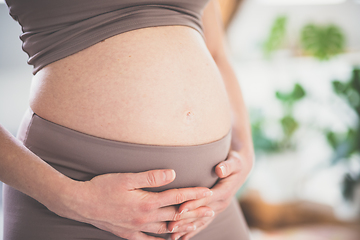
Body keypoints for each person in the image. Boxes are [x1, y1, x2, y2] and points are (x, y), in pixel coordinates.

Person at [0, 0, 254, 239]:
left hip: (205, 207)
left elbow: (217, 51)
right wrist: (73, 199)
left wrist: (245, 149)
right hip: (73, 205)